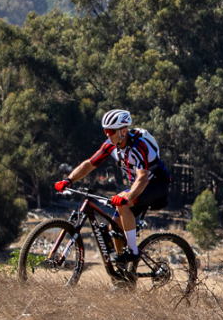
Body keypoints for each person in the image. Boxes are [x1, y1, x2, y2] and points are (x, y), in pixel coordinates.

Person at [55, 108, 169, 259]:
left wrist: (128, 197)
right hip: (139, 186)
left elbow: (143, 178)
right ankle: (123, 270)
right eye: (106, 131)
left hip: (156, 185)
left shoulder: (137, 146)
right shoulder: (111, 145)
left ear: (123, 131)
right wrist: (68, 180)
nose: (108, 135)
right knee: (114, 228)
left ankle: (133, 252)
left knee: (123, 203)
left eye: (111, 131)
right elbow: (89, 164)